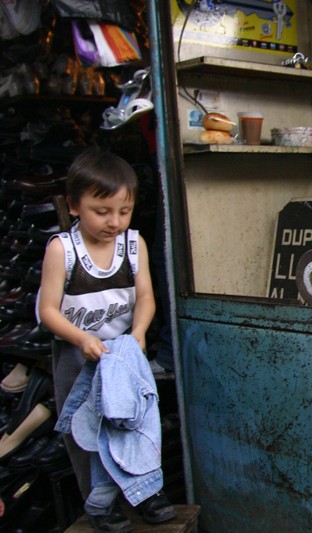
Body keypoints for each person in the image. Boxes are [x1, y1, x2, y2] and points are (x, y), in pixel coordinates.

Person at [37, 148, 175, 532]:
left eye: (124, 211)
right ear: (75, 204)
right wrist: (82, 339)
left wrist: (139, 333)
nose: (115, 222)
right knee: (86, 435)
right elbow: (47, 311)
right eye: (102, 211)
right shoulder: (62, 250)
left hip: (122, 352)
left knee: (135, 422)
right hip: (77, 356)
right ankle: (99, 505)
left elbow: (146, 296)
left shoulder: (134, 245)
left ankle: (146, 493)